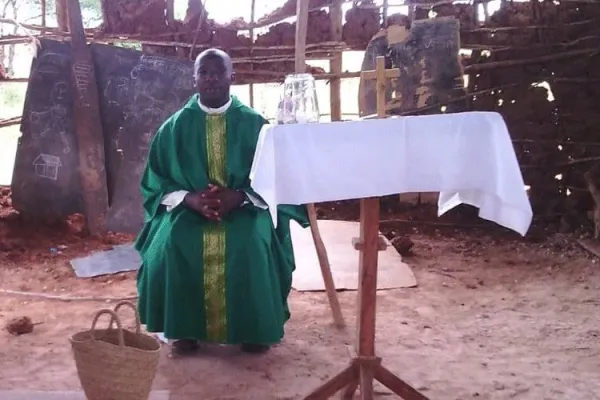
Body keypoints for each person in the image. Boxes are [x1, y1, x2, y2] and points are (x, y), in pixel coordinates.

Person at [135, 48, 309, 355]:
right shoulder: (174, 127)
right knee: (172, 243)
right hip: (188, 209)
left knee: (251, 243)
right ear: (194, 79)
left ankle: (254, 329)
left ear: (233, 76)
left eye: (218, 71)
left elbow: (277, 177)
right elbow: (155, 181)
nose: (211, 78)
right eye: (204, 72)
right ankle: (182, 330)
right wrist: (189, 198)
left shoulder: (256, 124)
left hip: (243, 208)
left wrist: (241, 196)